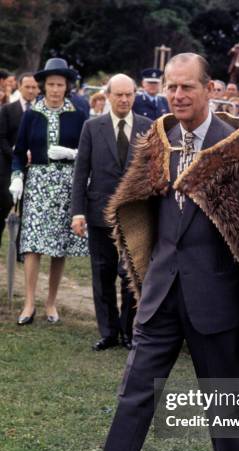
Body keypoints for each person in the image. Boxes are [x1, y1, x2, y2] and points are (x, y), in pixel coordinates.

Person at [54, 52, 239, 451]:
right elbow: (138, 206)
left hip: (215, 297)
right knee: (135, 390)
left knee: (221, 395)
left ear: (209, 89)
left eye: (188, 86)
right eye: (172, 86)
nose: (178, 95)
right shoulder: (158, 140)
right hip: (161, 292)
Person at [71, 74, 152, 351]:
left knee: (130, 274)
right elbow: (81, 173)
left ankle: (129, 331)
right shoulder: (92, 128)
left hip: (134, 215)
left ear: (135, 95)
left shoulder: (147, 127)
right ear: (107, 95)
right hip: (98, 212)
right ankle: (108, 332)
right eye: (118, 94)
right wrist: (77, 212)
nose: (124, 99)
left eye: (129, 94)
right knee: (102, 272)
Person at [9, 58, 88, 325]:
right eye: (51, 84)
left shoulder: (78, 114)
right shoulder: (32, 114)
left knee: (58, 247)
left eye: (60, 85)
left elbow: (88, 152)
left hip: (67, 185)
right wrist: (17, 177)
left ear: (67, 87)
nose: (55, 89)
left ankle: (51, 302)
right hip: (38, 184)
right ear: (44, 86)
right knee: (32, 245)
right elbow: (19, 152)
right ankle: (29, 302)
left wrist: (72, 154)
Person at [0, 73, 38, 246]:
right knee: (3, 208)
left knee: (28, 212)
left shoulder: (42, 111)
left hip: (34, 170)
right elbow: (1, 137)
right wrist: (15, 154)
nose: (31, 90)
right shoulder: (8, 110)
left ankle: (20, 250)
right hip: (8, 168)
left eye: (34, 87)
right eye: (27, 87)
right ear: (20, 87)